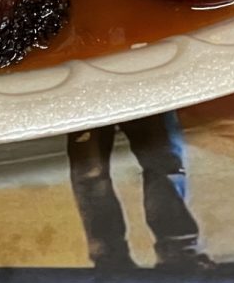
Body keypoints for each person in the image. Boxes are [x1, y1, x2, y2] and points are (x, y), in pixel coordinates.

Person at [66, 111, 224, 270]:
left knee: (160, 163)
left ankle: (175, 250)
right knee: (92, 174)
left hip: (127, 93)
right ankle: (113, 256)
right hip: (94, 96)